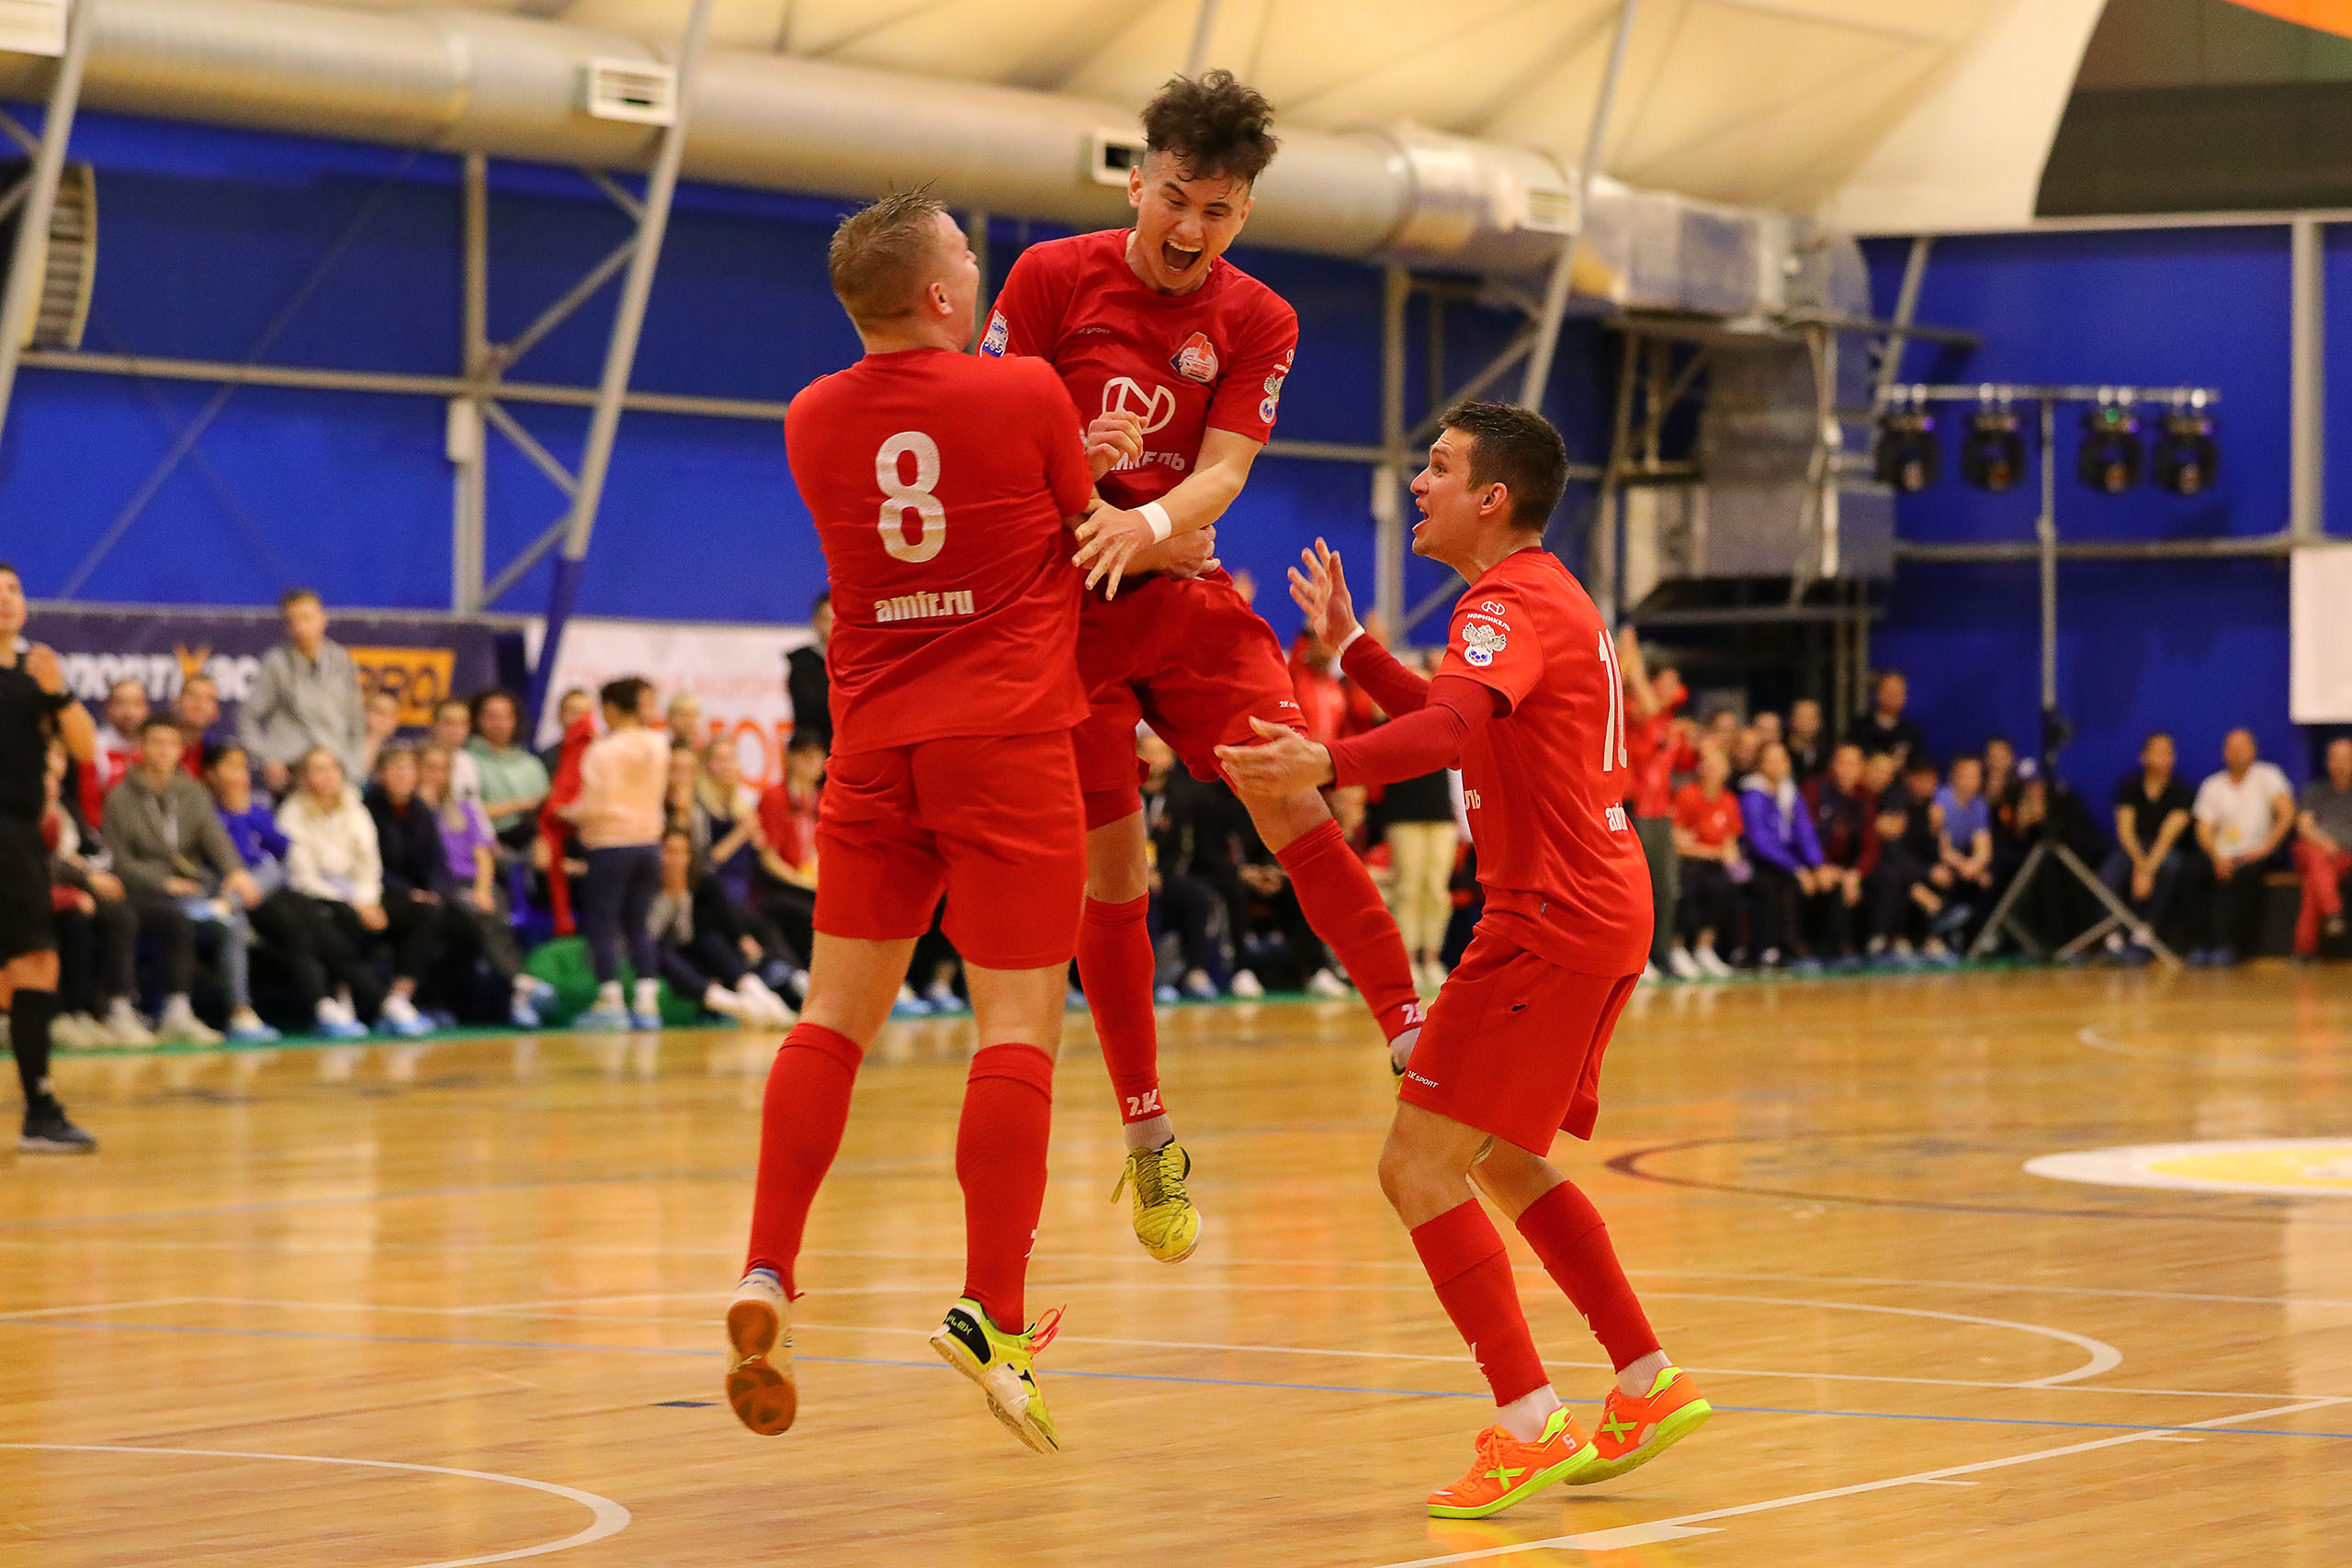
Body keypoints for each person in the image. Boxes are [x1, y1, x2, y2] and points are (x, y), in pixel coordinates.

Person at [1219, 403, 1707, 1518]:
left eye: (1438, 467)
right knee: (1493, 1157)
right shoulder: (1540, 598)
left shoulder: (1503, 604)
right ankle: (1642, 1377)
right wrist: (1352, 654)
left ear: (1493, 497)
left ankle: (1529, 1422)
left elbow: (1439, 737)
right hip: (1594, 902)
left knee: (1416, 1166)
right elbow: (1464, 720)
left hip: (1547, 915)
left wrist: (1323, 758)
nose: (1419, 481)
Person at [984, 71, 1421, 1259]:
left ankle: (1407, 1024)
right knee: (1113, 875)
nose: (1190, 227)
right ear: (1138, 178)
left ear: (1244, 213)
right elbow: (985, 441)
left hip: (1180, 590)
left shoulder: (1258, 317)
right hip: (1061, 613)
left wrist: (1155, 522)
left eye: (1218, 210)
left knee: (1289, 780)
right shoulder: (1047, 280)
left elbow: (1225, 469)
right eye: (1176, 196)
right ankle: (1146, 1132)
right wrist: (1081, 464)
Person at [726, 189, 1096, 1452]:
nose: (985, 273)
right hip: (1005, 744)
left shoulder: (809, 416)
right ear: (942, 293)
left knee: (833, 1016)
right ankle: (993, 1313)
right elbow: (1088, 528)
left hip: (875, 752)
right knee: (1016, 1029)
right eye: (970, 260)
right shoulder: (1028, 392)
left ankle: (768, 1265)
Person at [1, 564, 101, 1150]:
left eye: (14, 589)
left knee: (27, 971)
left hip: (19, 837)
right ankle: (39, 1111)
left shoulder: (37, 671)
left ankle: (40, 1108)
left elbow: (85, 748)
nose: (8, 600)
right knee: (33, 965)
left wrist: (58, 689)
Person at [101, 716, 277, 1043]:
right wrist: (164, 883)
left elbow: (215, 837)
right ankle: (205, 1008)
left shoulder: (192, 791)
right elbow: (119, 862)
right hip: (148, 890)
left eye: (171, 743)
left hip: (195, 883)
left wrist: (235, 872)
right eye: (155, 742)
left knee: (263, 881)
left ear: (181, 750)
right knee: (213, 920)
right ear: (140, 747)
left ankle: (237, 1009)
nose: (164, 751)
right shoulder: (119, 797)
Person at [205, 741, 373, 1039]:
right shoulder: (209, 811)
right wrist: (237, 817)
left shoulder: (254, 810)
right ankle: (327, 1003)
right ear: (211, 774)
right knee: (292, 924)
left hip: (267, 889)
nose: (240, 775)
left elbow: (282, 849)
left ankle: (341, 999)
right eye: (231, 767)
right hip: (234, 892)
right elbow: (227, 856)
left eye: (243, 767)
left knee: (316, 914)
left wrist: (246, 814)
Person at [278, 747, 424, 1036]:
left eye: (332, 768)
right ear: (304, 778)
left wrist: (366, 900)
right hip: (316, 894)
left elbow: (369, 863)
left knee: (424, 912)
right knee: (338, 916)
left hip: (359, 893)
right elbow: (302, 876)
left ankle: (401, 997)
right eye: (318, 769)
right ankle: (347, 999)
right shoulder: (291, 814)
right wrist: (352, 903)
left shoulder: (356, 808)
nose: (327, 776)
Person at [562, 677, 672, 1030]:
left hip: (609, 845)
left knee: (604, 923)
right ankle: (646, 1002)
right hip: (649, 844)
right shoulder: (659, 744)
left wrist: (563, 812)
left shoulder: (602, 751)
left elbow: (594, 806)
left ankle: (609, 1000)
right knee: (639, 924)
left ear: (610, 707)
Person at [416, 745, 548, 1028]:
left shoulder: (464, 808)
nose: (436, 775)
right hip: (440, 885)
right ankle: (521, 985)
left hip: (476, 882)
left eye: (443, 768)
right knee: (475, 916)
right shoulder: (415, 812)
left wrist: (483, 889)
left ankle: (518, 990)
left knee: (487, 911)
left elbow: (483, 853)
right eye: (429, 767)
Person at [1375, 651, 1464, 995]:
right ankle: (1407, 959)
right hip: (1404, 814)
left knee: (1436, 889)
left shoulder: (1446, 717)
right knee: (1408, 886)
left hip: (1440, 814)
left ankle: (1431, 957)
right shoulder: (1391, 720)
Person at [648, 827, 794, 1026]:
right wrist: (672, 895)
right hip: (657, 950)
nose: (675, 858)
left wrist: (741, 938)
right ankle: (739, 1007)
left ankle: (763, 997)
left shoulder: (699, 881)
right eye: (669, 851)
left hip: (689, 948)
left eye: (681, 852)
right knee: (661, 952)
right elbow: (652, 934)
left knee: (711, 940)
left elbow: (697, 928)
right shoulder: (647, 885)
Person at [240, 589, 368, 794]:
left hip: (337, 770)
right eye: (292, 622)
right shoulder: (277, 662)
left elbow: (356, 721)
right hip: (292, 772)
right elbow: (247, 718)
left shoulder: (341, 660)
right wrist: (268, 758)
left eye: (306, 618)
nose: (299, 627)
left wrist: (354, 768)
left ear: (322, 619)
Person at [1617, 634, 1690, 982]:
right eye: (1668, 682)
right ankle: (1639, 957)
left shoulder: (1669, 714)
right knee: (1639, 891)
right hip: (1636, 810)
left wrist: (1634, 656)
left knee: (1668, 888)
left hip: (1662, 813)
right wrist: (1631, 658)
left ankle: (1664, 952)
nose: (1674, 688)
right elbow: (1644, 702)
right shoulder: (1631, 710)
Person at [2189, 729, 2294, 965]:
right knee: (2192, 873)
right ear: (2224, 753)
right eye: (2232, 749)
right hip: (2222, 853)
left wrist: (2268, 846)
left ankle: (2234, 946)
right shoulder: (2212, 785)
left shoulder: (2268, 776)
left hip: (2259, 852)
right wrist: (2216, 856)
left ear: (2253, 751)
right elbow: (2203, 829)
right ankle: (2202, 943)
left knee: (2247, 877)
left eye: (2243, 748)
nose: (2237, 754)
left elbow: (2287, 813)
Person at [1739, 740, 1839, 969]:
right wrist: (1796, 868)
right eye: (1770, 760)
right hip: (1761, 860)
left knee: (1827, 881)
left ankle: (1824, 947)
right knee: (1773, 884)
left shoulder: (1790, 792)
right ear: (1760, 765)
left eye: (1781, 760)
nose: (1777, 765)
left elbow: (1805, 832)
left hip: (1790, 859)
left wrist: (1817, 865)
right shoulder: (1753, 795)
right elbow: (1760, 843)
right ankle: (1771, 949)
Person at [2101, 732, 2194, 961]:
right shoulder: (2129, 787)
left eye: (2168, 752)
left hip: (2165, 850)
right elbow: (2125, 829)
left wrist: (2147, 869)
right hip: (2134, 849)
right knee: (2109, 872)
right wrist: (2139, 864)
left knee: (2171, 867)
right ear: (2143, 756)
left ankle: (2146, 930)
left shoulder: (2183, 791)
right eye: (2157, 751)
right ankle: (2113, 932)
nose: (2163, 757)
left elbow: (2168, 835)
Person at [753, 731, 826, 978]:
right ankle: (801, 974)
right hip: (781, 887)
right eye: (806, 756)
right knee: (814, 913)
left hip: (816, 882)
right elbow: (768, 858)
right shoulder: (774, 797)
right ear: (791, 758)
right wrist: (801, 881)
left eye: (818, 757)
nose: (813, 764)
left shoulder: (823, 799)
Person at [1669, 746, 1743, 977]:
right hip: (1688, 863)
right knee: (1688, 887)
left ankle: (1705, 948)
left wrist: (1726, 853)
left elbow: (1730, 843)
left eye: (1717, 765)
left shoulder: (1728, 801)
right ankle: (1678, 948)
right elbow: (1679, 843)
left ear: (1726, 770)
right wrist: (1713, 851)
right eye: (1707, 765)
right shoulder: (1688, 795)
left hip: (1713, 864)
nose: (1711, 770)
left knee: (1722, 886)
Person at [1804, 740, 1876, 964]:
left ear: (1862, 768)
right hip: (1816, 862)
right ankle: (1826, 948)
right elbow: (1806, 836)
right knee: (1829, 883)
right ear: (1833, 766)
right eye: (1843, 763)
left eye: (1854, 764)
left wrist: (1855, 873)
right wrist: (1821, 866)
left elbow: (1871, 846)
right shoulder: (1814, 790)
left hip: (1848, 867)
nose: (1848, 769)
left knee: (1884, 877)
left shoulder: (1866, 797)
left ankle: (1876, 943)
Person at [464, 687, 551, 853]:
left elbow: (545, 807)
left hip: (531, 837)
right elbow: (465, 812)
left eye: (507, 716)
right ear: (477, 719)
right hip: (484, 842)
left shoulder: (530, 763)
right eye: (492, 717)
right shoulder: (466, 760)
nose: (500, 724)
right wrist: (519, 805)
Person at [2294, 737, 2352, 959]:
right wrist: (2323, 842)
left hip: (2346, 855)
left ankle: (2304, 948)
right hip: (2318, 849)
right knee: (2316, 855)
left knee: (2314, 881)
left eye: (2346, 759)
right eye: (2336, 759)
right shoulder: (2315, 790)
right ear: (2328, 762)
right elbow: (2304, 825)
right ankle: (2333, 911)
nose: (2341, 764)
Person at [1933, 752, 1996, 936]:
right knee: (1944, 875)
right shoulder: (1940, 800)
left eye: (1976, 776)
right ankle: (1935, 934)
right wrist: (1965, 867)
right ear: (1954, 776)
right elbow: (1940, 849)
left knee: (1988, 878)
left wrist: (1975, 868)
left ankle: (1982, 937)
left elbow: (1984, 849)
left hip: (1963, 860)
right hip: (1938, 858)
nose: (1972, 781)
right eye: (1966, 775)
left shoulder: (1980, 805)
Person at [76, 677, 148, 825]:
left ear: (146, 709)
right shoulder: (94, 747)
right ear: (108, 708)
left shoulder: (157, 744)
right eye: (121, 703)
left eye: (136, 703)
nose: (129, 712)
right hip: (108, 836)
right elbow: (89, 806)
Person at [1848, 670, 1927, 763]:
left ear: (1905, 696)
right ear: (1878, 693)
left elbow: (1917, 769)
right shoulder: (1859, 727)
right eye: (1889, 691)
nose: (1893, 696)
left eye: (1898, 692)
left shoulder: (1911, 732)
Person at [786, 592, 831, 749]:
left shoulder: (856, 662)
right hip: (815, 749)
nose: (833, 625)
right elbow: (808, 710)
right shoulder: (802, 663)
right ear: (816, 621)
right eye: (827, 619)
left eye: (837, 619)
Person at [174, 673, 223, 774]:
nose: (200, 704)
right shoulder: (152, 748)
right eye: (192, 696)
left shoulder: (219, 755)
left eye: (208, 699)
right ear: (176, 704)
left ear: (216, 712)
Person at [538, 686, 593, 779]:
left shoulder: (601, 755)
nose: (582, 720)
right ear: (560, 716)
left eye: (587, 713)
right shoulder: (546, 758)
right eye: (575, 712)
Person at [1786, 697, 1828, 783]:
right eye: (1802, 717)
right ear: (1792, 720)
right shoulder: (1781, 754)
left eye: (1812, 718)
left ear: (1819, 723)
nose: (1806, 723)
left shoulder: (1827, 756)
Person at [665, 692, 707, 760]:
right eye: (683, 715)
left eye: (693, 716)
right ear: (669, 718)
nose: (688, 722)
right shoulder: (661, 749)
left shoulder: (703, 752)